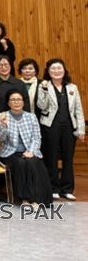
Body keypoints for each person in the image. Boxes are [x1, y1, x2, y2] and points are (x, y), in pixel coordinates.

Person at [36, 59, 85, 201]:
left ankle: (67, 189)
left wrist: (81, 129)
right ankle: (53, 188)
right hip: (50, 126)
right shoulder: (44, 86)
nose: (56, 71)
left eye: (59, 68)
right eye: (53, 68)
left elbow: (78, 109)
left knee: (68, 158)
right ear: (48, 71)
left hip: (69, 127)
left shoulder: (72, 87)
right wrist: (44, 90)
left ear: (64, 70)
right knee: (51, 158)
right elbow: (41, 106)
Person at [0, 90, 53, 205]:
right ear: (8, 103)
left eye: (19, 99)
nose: (16, 102)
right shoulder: (2, 116)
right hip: (10, 152)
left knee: (33, 163)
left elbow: (37, 137)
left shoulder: (31, 117)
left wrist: (31, 151)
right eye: (13, 100)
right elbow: (1, 138)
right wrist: (3, 125)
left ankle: (38, 199)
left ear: (23, 102)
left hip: (29, 150)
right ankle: (25, 199)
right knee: (21, 164)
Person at [0, 55, 29, 122]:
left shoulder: (19, 83)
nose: (3, 68)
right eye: (0, 65)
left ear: (10, 66)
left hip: (18, 120)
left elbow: (26, 103)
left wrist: (26, 118)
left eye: (6, 64)